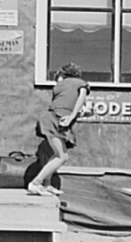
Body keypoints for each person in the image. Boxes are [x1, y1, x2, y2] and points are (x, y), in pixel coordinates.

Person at [28, 63, 90, 196]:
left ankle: (47, 184)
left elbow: (64, 103)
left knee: (56, 154)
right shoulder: (80, 83)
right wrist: (72, 116)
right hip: (56, 120)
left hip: (49, 119)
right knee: (62, 156)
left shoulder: (59, 86)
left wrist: (73, 115)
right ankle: (36, 183)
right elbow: (81, 99)